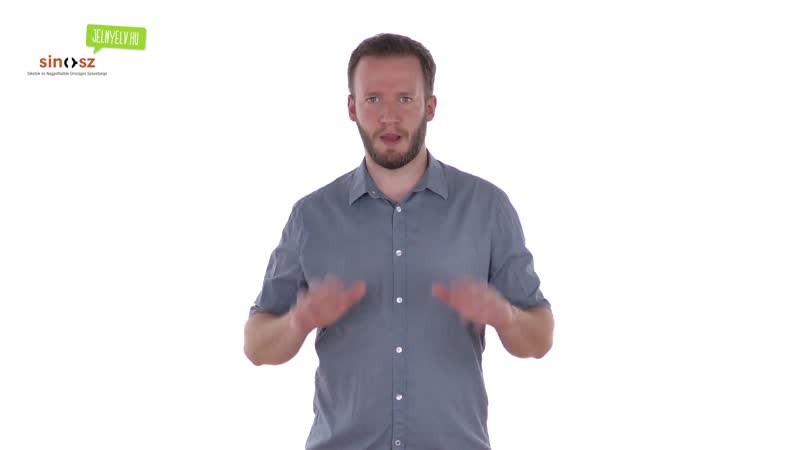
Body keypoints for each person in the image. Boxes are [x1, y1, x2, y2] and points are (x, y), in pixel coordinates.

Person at [243, 32, 554, 450]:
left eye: (405, 99)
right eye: (373, 99)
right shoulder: (311, 217)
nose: (389, 117)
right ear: (352, 108)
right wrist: (298, 321)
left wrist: (506, 317)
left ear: (430, 106)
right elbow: (256, 346)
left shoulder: (487, 208)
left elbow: (540, 338)